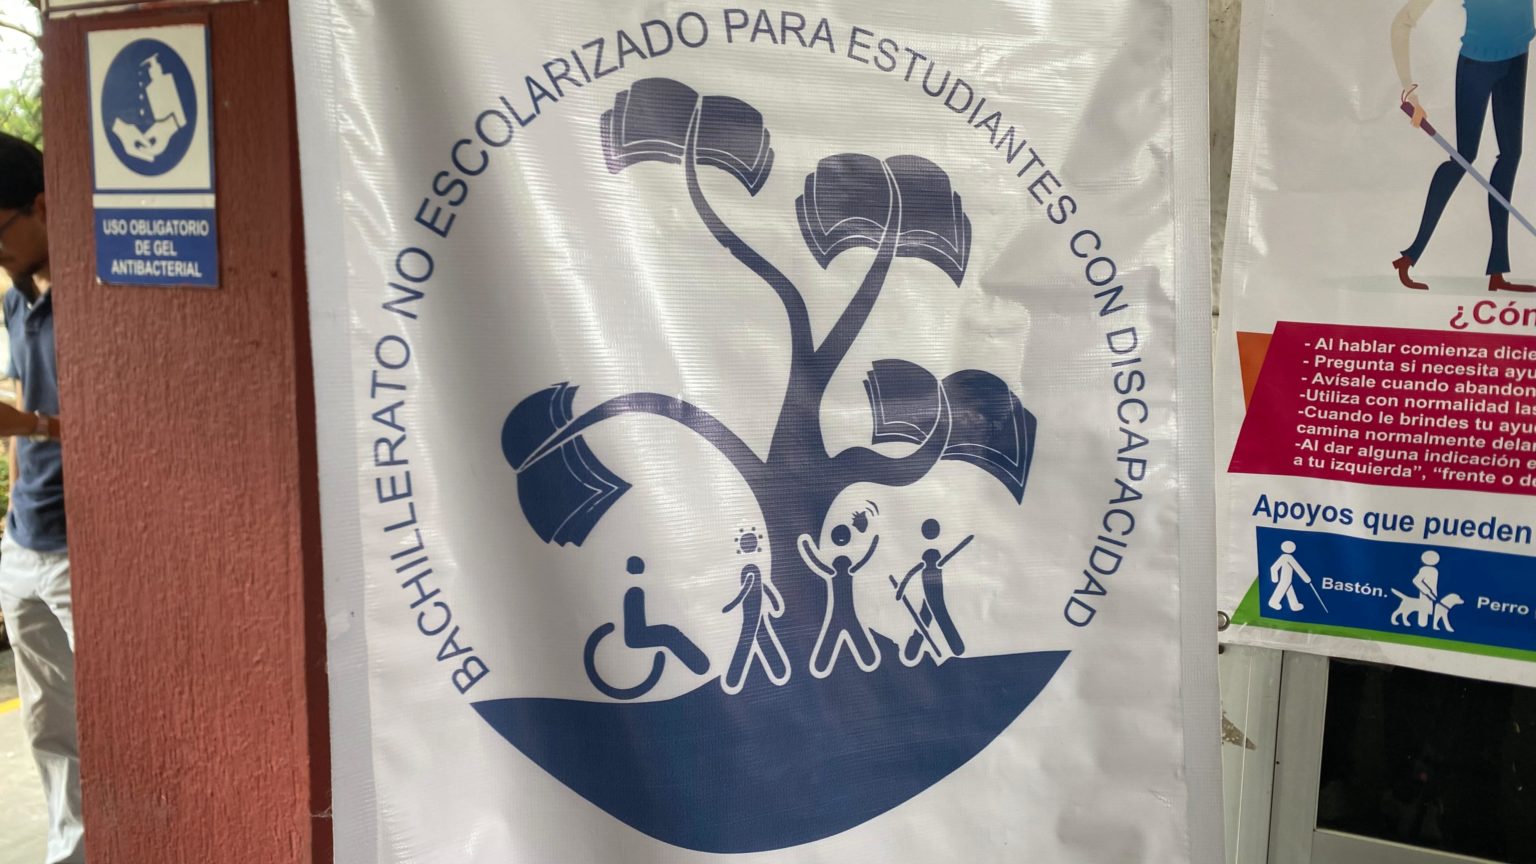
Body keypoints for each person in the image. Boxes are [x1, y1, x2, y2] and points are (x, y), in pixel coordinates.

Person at [0, 132, 82, 864]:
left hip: (81, 554)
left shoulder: (96, 305)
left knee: (118, 724)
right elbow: (25, 404)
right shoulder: (15, 303)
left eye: (0, 230)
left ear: (43, 206)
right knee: (49, 732)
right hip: (23, 541)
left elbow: (127, 432)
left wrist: (29, 425)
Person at [1393, 0, 1536, 292]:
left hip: (1516, 60)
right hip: (1476, 67)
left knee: (1511, 154)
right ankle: (1410, 256)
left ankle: (1497, 271)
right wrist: (1410, 90)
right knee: (1464, 157)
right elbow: (1402, 22)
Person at [799, 523, 881, 678]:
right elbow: (865, 558)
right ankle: (823, 664)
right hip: (845, 614)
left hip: (840, 614)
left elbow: (816, 562)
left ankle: (822, 664)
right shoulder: (847, 570)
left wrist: (806, 545)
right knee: (853, 639)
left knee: (834, 638)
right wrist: (873, 540)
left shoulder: (833, 571)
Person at [1268, 540, 1312, 613]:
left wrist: (1306, 579)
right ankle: (1273, 602)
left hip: (1288, 579)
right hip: (1285, 578)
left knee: (1289, 589)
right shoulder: (1288, 558)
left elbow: (1274, 568)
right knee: (1282, 588)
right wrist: (1306, 578)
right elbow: (1298, 568)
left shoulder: (1285, 557)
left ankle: (1294, 605)